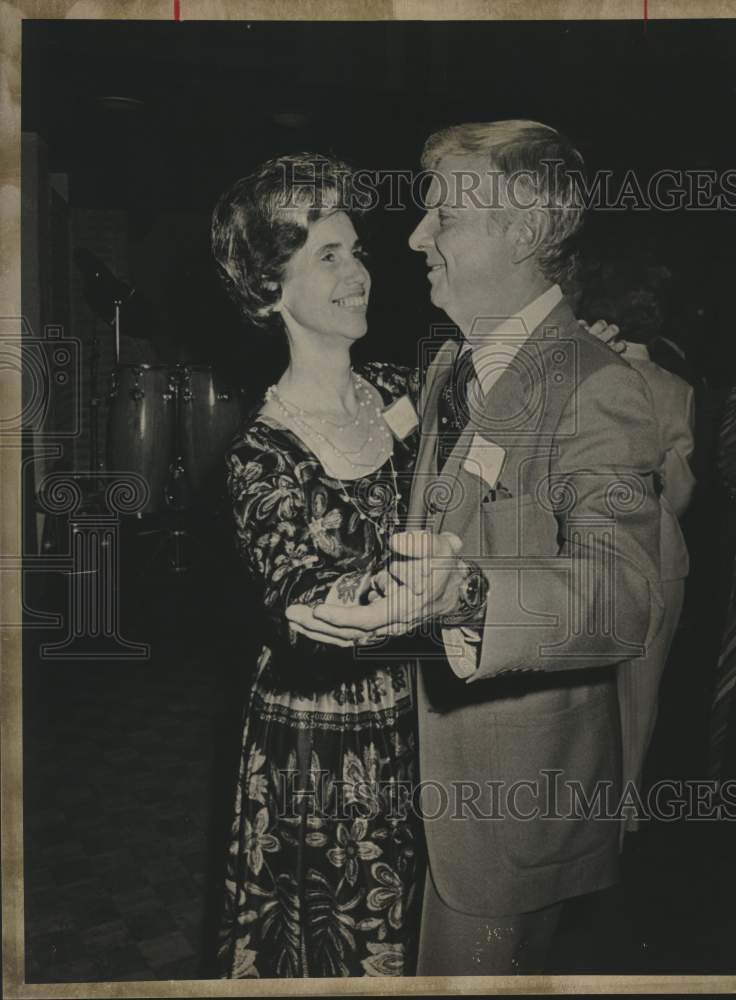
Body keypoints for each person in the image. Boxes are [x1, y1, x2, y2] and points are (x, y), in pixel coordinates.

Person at [291, 120, 664, 975]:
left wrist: (468, 596)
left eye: (444, 218)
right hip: (421, 777)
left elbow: (623, 591)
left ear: (526, 232)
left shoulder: (594, 383)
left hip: (508, 805)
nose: (417, 237)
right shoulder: (450, 366)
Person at [210, 154, 423, 978]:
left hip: (419, 719)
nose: (358, 272)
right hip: (318, 739)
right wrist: (430, 590)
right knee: (328, 939)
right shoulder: (262, 455)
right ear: (270, 290)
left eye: (357, 249)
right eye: (327, 256)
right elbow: (304, 596)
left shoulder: (403, 392)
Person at [580, 260, 695, 832]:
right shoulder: (679, 390)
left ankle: (581, 820)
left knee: (586, 694)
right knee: (641, 696)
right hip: (663, 553)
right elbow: (680, 490)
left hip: (593, 550)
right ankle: (624, 817)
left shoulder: (592, 376)